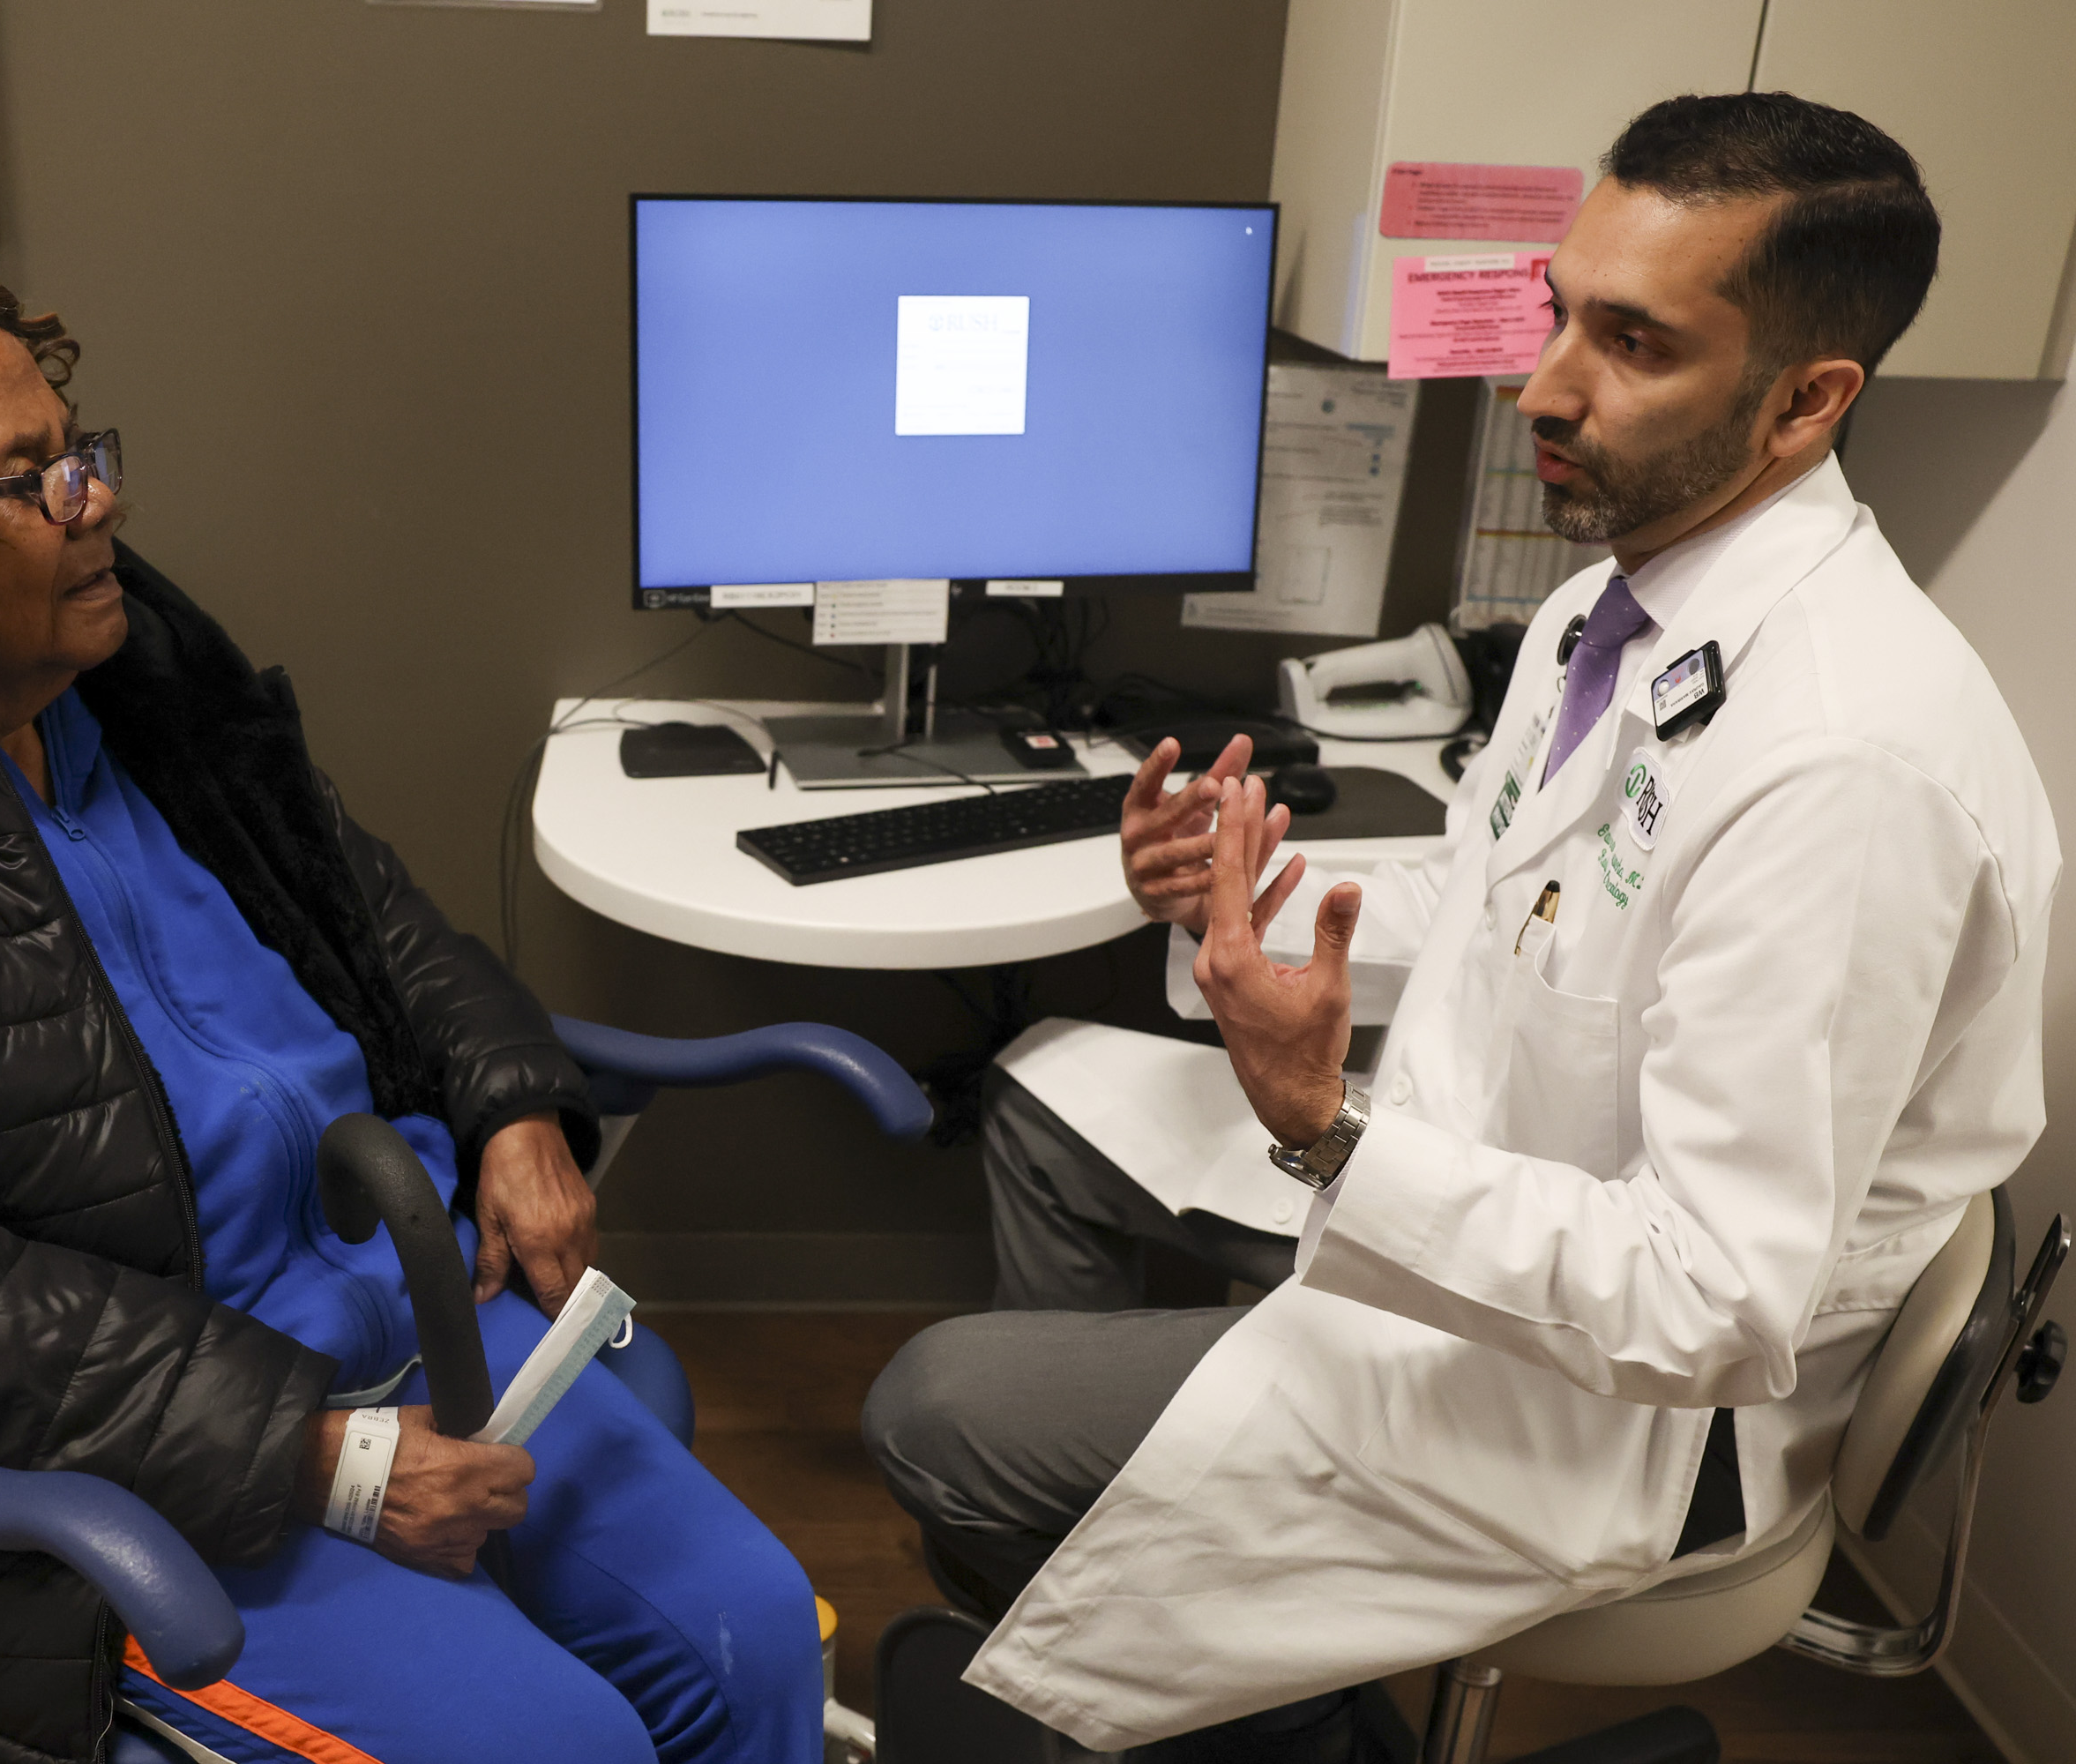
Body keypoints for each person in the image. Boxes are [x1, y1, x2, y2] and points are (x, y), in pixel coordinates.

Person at [864, 92, 2058, 1756]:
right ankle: (1194, 1570)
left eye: (1631, 343)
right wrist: (1245, 895)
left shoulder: (1846, 769)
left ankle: (1240, 1670)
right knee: (1048, 1115)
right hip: (1479, 1167)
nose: (1542, 387)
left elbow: (1714, 1303)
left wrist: (1329, 1127)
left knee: (938, 1414)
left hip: (1635, 1412)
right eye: (1556, 309)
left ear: (1806, 400)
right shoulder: (1615, 597)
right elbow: (1517, 898)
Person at [0, 251, 819, 1764]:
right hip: (148, 1447)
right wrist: (314, 1458)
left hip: (427, 1326)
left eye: (78, 451)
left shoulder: (123, 680)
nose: (98, 504)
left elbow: (367, 917)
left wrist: (507, 1104)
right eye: (32, 481)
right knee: (563, 1747)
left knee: (755, 1643)